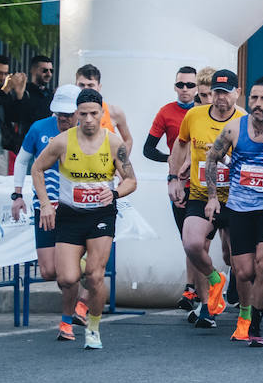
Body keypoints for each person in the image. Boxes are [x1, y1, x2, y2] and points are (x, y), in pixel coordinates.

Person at [30, 87, 137, 349]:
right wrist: (45, 204)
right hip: (69, 214)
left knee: (94, 276)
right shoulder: (62, 141)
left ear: (102, 114)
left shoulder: (113, 143)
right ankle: (67, 319)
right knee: (66, 278)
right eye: (83, 114)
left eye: (94, 113)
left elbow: (131, 181)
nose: (88, 119)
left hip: (101, 215)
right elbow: (37, 168)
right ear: (76, 114)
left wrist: (114, 193)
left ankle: (93, 327)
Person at [204, 77, 263, 347]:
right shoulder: (234, 129)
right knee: (242, 271)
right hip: (239, 209)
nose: (257, 104)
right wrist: (212, 198)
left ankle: (255, 325)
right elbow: (212, 158)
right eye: (253, 98)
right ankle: (243, 315)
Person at [171, 69, 243, 329]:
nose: (220, 98)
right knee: (192, 245)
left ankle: (245, 315)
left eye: (226, 92)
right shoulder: (194, 115)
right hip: (201, 194)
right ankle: (208, 300)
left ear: (237, 93)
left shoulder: (244, 120)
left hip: (235, 197)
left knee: (234, 256)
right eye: (216, 92)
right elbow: (181, 144)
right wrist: (174, 178)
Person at [11, 84, 80, 287]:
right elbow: (22, 160)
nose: (63, 118)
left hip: (75, 207)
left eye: (68, 113)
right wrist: (17, 194)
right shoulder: (39, 128)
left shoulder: (86, 132)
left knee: (68, 271)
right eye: (59, 113)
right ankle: (83, 284)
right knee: (49, 271)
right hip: (45, 206)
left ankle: (77, 307)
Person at [144, 66, 199, 310]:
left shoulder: (203, 112)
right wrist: (170, 162)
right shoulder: (166, 112)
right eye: (180, 85)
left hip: (208, 183)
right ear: (174, 87)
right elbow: (148, 149)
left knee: (216, 241)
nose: (185, 89)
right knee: (188, 239)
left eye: (189, 85)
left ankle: (218, 286)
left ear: (197, 87)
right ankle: (192, 290)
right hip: (179, 183)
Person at [5, 54, 56, 170]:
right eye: (44, 70)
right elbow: (14, 116)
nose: (49, 74)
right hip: (28, 146)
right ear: (33, 70)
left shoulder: (50, 95)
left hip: (47, 146)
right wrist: (19, 96)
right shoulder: (24, 92)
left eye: (51, 70)